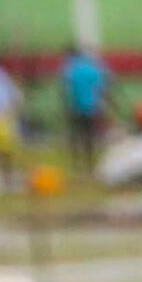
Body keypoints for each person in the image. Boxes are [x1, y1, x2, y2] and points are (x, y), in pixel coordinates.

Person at [57, 38, 108, 178]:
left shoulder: (69, 70)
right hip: (91, 107)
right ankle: (89, 164)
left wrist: (64, 108)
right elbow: (101, 90)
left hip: (75, 107)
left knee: (76, 136)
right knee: (89, 137)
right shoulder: (93, 70)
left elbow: (65, 91)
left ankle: (77, 165)